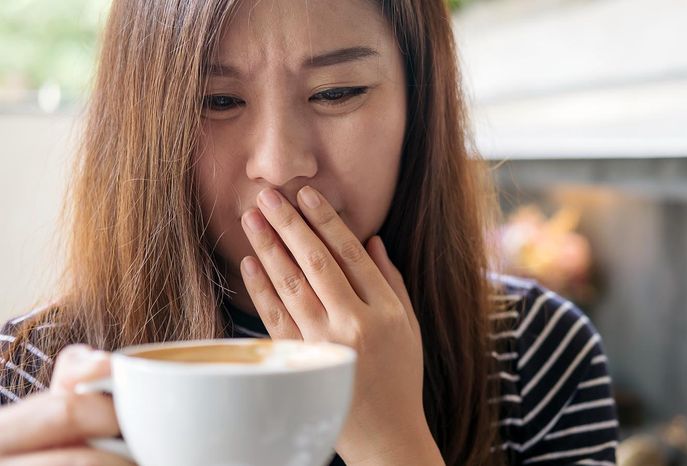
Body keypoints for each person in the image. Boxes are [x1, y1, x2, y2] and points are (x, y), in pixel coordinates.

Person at [0, 1, 619, 464]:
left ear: (419, 107)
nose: (278, 161)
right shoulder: (27, 371)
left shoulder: (537, 354)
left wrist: (393, 441)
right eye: (216, 101)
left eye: (337, 91)